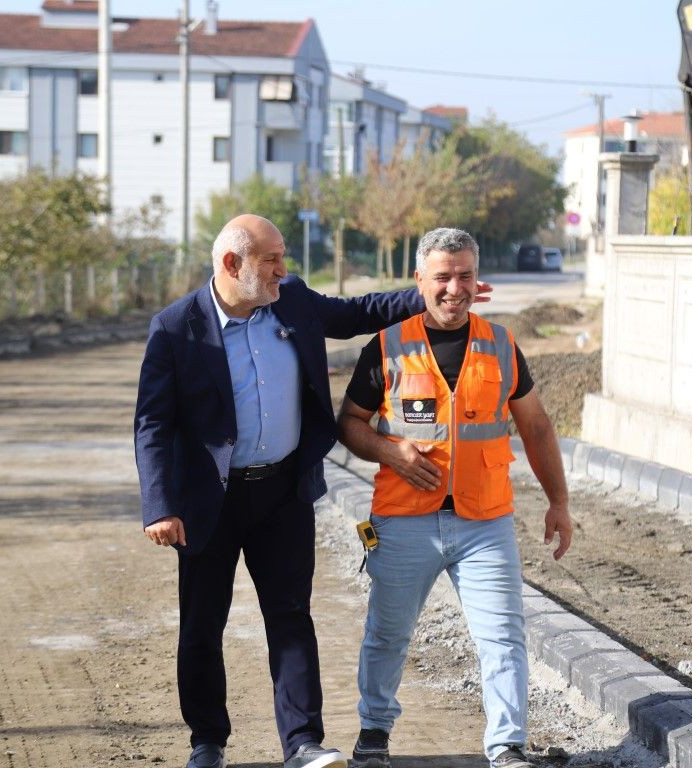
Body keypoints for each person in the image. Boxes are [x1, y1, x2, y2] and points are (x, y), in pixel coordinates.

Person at [134, 214, 491, 768]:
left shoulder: (292, 300)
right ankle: (207, 741)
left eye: (282, 258)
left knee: (291, 616)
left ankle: (301, 741)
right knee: (203, 624)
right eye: (272, 260)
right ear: (233, 264)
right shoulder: (175, 328)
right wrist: (160, 505)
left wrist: (430, 290)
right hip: (211, 499)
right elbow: (153, 424)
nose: (284, 269)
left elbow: (358, 314)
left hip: (282, 492)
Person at [336, 227, 573, 768]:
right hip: (402, 521)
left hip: (484, 521)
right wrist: (390, 450)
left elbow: (535, 427)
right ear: (420, 280)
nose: (454, 288)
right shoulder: (390, 345)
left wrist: (559, 503)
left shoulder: (501, 345)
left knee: (503, 637)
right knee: (387, 634)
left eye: (464, 275)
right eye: (442, 277)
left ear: (476, 277)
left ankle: (507, 747)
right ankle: (373, 735)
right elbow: (348, 423)